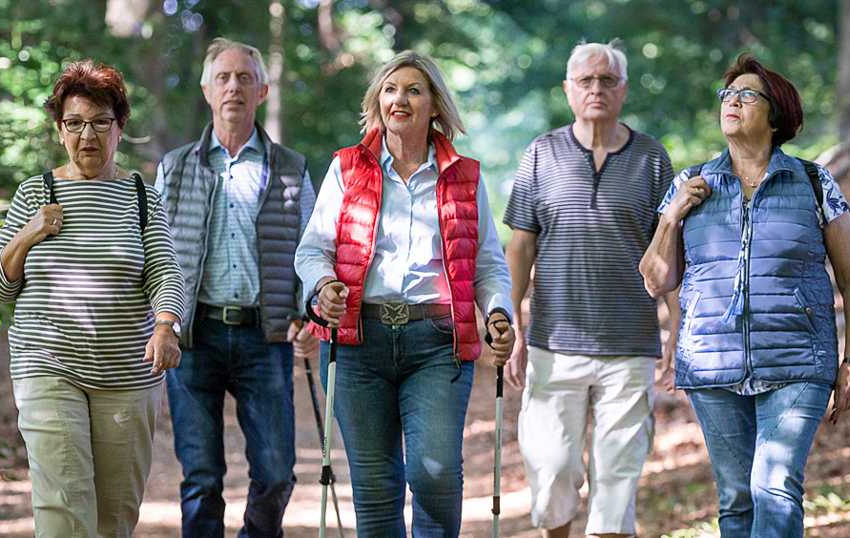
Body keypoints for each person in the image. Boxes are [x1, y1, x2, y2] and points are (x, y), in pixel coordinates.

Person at [637, 52, 850, 538]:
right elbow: (655, 280)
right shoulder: (691, 184)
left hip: (798, 361)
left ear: (775, 115)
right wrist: (670, 216)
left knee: (775, 483)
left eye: (747, 95)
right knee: (736, 498)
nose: (733, 102)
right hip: (712, 363)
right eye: (728, 94)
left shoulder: (813, 182)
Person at [294, 50, 516, 537]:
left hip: (436, 340)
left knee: (434, 473)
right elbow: (312, 251)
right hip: (357, 341)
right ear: (378, 101)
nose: (401, 98)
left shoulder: (464, 176)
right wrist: (323, 284)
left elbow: (488, 264)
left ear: (434, 104)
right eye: (391, 89)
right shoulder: (348, 168)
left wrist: (499, 312)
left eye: (414, 90)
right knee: (375, 486)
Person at [0, 60, 185, 538]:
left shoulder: (141, 197)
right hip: (48, 366)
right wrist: (28, 235)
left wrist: (166, 325)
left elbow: (165, 270)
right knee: (65, 512)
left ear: (119, 127)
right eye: (74, 123)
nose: (86, 135)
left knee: (114, 518)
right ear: (59, 129)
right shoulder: (36, 193)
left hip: (126, 374)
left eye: (99, 123)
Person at [502, 41, 676, 538]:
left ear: (623, 90)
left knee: (618, 479)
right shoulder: (541, 153)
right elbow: (520, 247)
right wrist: (513, 323)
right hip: (554, 343)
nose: (596, 89)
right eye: (586, 81)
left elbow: (668, 252)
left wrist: (678, 329)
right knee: (553, 469)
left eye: (607, 81)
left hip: (630, 344)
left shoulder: (651, 158)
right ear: (568, 90)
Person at [153, 37, 319, 538]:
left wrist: (309, 310)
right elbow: (158, 254)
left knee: (274, 473)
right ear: (207, 90)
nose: (233, 87)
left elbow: (312, 253)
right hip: (194, 335)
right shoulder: (175, 167)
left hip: (262, 338)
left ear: (262, 90)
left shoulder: (292, 169)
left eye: (244, 78)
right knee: (201, 479)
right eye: (223, 78)